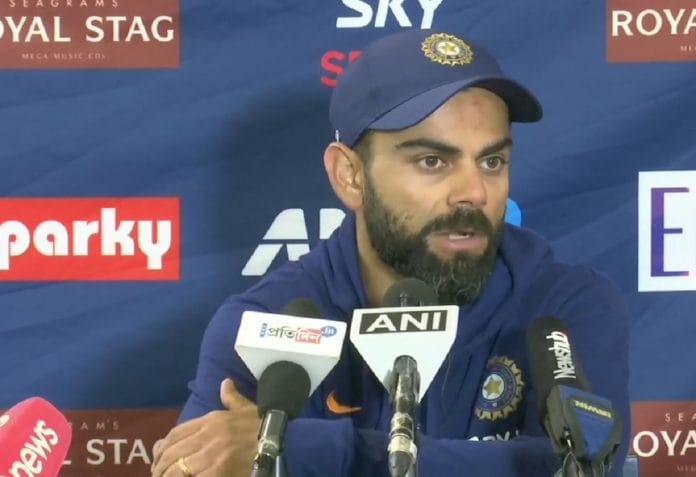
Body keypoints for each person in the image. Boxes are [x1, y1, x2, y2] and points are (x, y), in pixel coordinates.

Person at [151, 29, 630, 477]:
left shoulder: (563, 305)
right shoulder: (267, 322)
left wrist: (303, 449)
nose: (475, 193)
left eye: (492, 161)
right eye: (432, 161)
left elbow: (578, 465)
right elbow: (208, 461)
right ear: (350, 176)